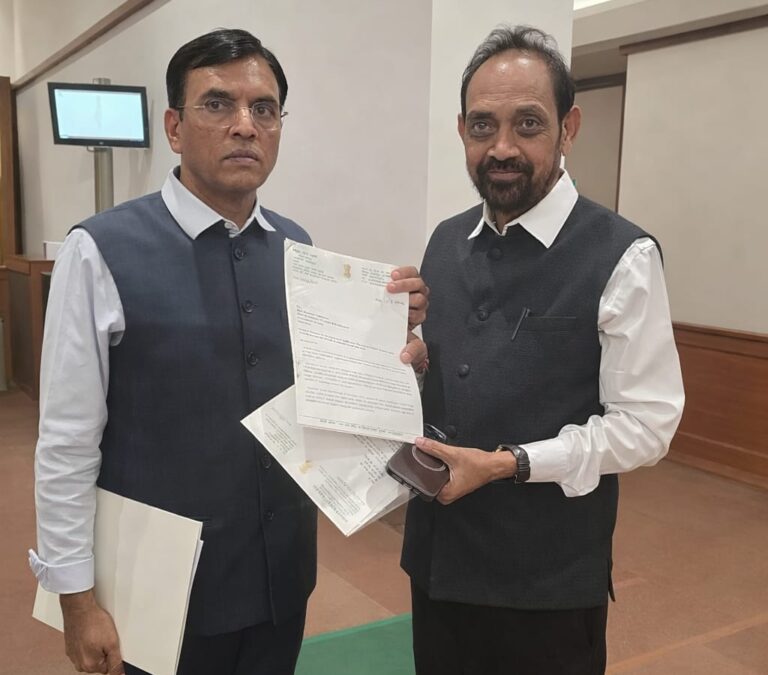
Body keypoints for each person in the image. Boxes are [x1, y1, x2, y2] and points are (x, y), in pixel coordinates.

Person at [30, 28, 428, 675]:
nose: (245, 124)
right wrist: (75, 596)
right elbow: (66, 441)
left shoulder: (298, 249)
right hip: (156, 588)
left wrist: (392, 349)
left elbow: (322, 394)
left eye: (264, 108)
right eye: (217, 104)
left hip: (280, 574)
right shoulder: (100, 251)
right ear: (175, 127)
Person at [401, 25, 684, 675]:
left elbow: (647, 425)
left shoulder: (623, 254)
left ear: (568, 128)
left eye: (527, 123)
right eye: (482, 125)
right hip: (439, 563)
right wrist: (413, 365)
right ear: (462, 132)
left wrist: (511, 463)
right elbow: (457, 375)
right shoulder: (444, 241)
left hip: (546, 584)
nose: (502, 147)